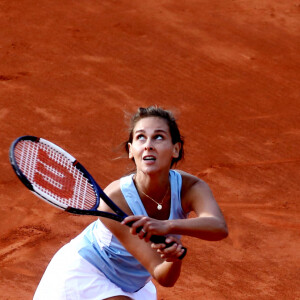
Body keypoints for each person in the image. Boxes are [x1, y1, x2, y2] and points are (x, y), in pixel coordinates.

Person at [33, 106, 228, 300]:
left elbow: (218, 227)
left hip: (133, 286)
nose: (148, 145)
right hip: (86, 274)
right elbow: (157, 269)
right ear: (130, 150)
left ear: (175, 149)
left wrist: (173, 254)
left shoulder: (190, 187)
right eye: (141, 137)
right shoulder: (115, 199)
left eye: (158, 137)